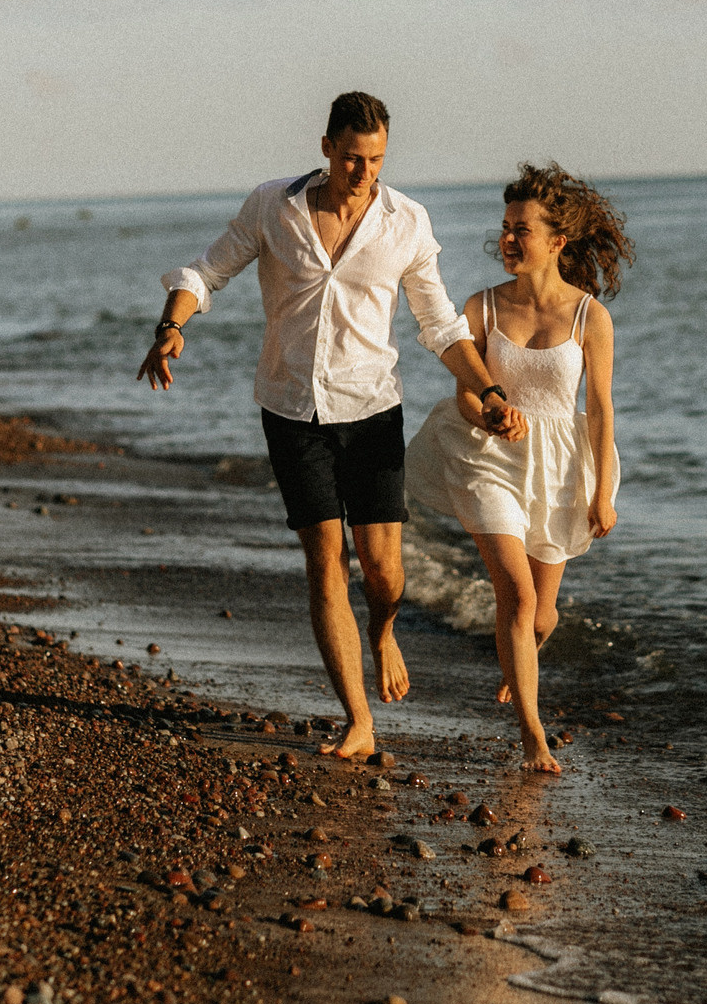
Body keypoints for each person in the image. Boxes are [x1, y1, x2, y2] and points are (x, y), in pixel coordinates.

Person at [139, 91, 521, 761]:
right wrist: (173, 325)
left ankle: (383, 629)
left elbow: (442, 328)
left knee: (384, 571)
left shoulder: (405, 221)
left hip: (373, 407)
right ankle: (359, 717)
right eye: (352, 157)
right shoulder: (272, 205)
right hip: (291, 408)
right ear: (326, 147)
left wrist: (487, 388)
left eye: (374, 158)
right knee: (325, 561)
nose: (362, 171)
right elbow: (206, 271)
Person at [405, 162, 628, 772]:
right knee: (517, 595)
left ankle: (519, 664)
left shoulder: (590, 318)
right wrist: (489, 419)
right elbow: (465, 392)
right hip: (488, 457)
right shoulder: (483, 308)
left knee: (544, 614)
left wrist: (603, 491)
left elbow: (601, 409)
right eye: (504, 227)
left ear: (556, 241)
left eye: (521, 229)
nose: (507, 239)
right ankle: (533, 730)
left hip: (559, 465)